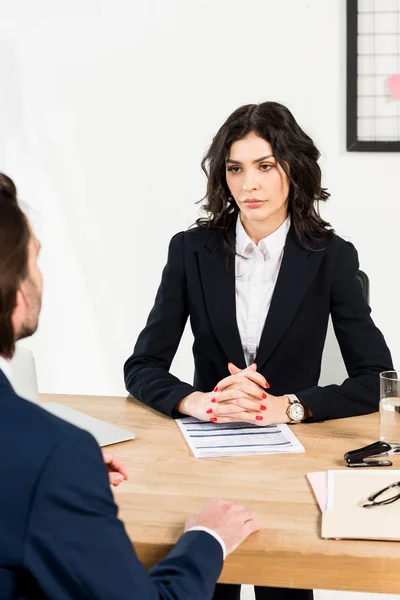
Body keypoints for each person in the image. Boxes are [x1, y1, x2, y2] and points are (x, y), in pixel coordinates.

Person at [124, 101, 393, 600]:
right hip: (208, 454)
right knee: (207, 581)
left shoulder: (331, 257)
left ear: (294, 169)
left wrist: (287, 406)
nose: (249, 184)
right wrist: (199, 401)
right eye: (235, 168)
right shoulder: (190, 250)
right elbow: (141, 366)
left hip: (289, 464)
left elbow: (379, 377)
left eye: (265, 166)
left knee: (284, 586)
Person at [0, 173, 259, 600]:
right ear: (13, 290)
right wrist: (207, 539)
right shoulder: (54, 453)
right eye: (35, 258)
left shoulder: (333, 256)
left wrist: (63, 476)